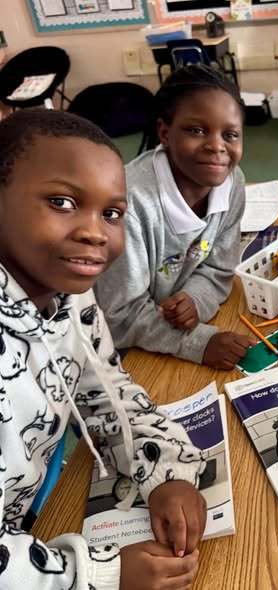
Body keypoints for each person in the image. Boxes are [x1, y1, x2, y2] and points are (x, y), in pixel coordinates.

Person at [0, 108, 208, 589]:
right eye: (62, 201)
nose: (96, 231)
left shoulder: (69, 290)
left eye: (111, 213)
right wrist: (96, 575)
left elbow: (104, 387)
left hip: (30, 516)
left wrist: (165, 468)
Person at [95, 65, 254, 370]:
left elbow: (219, 269)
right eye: (196, 130)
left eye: (230, 134)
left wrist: (193, 299)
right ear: (165, 133)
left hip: (158, 331)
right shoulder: (128, 204)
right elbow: (118, 313)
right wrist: (199, 342)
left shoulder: (233, 183)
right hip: (113, 347)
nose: (217, 146)